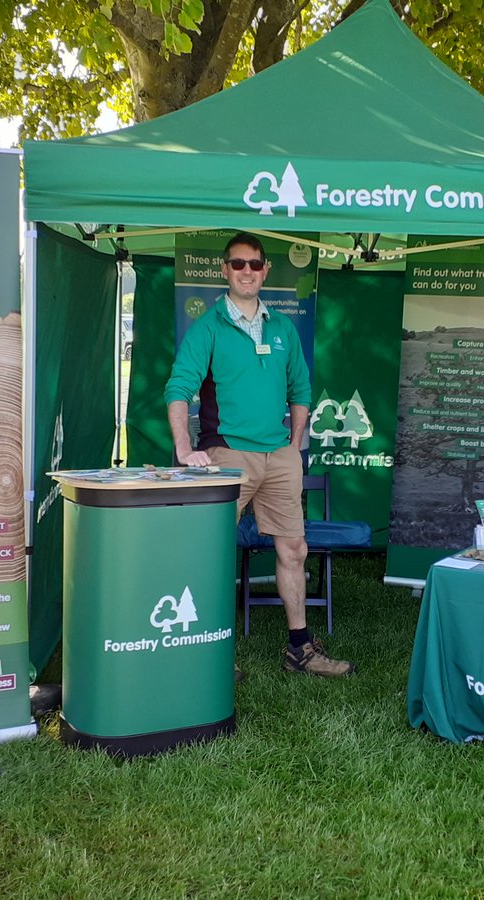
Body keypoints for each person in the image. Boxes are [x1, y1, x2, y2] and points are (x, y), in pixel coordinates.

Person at [164, 233, 355, 678]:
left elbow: (302, 389)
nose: (246, 271)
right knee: (209, 553)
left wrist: (294, 445)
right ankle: (205, 652)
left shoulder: (282, 327)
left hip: (279, 457)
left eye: (254, 264)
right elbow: (178, 389)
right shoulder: (208, 327)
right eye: (237, 264)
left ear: (266, 270)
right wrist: (184, 449)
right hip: (227, 455)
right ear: (224, 270)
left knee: (294, 548)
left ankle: (299, 650)